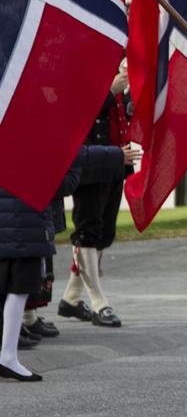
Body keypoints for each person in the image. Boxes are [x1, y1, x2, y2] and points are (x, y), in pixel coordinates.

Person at [0, 144, 125, 382]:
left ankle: (8, 352)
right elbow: (68, 162)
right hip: (25, 221)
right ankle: (7, 356)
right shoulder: (32, 125)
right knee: (18, 290)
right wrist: (118, 155)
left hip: (12, 219)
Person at [58, 61, 137, 328]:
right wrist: (108, 91)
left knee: (104, 233)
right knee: (87, 231)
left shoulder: (118, 63)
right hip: (90, 160)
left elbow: (121, 112)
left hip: (116, 159)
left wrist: (130, 97)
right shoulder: (83, 60)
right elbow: (71, 108)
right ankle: (98, 302)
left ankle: (70, 298)